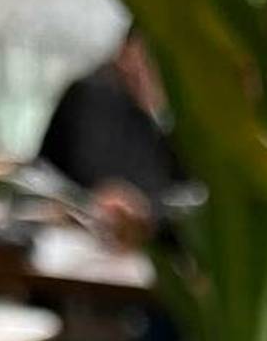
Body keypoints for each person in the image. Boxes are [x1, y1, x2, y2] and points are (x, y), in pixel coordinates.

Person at [37, 26, 181, 247]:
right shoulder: (96, 95)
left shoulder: (156, 116)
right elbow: (111, 187)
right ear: (125, 52)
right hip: (82, 242)